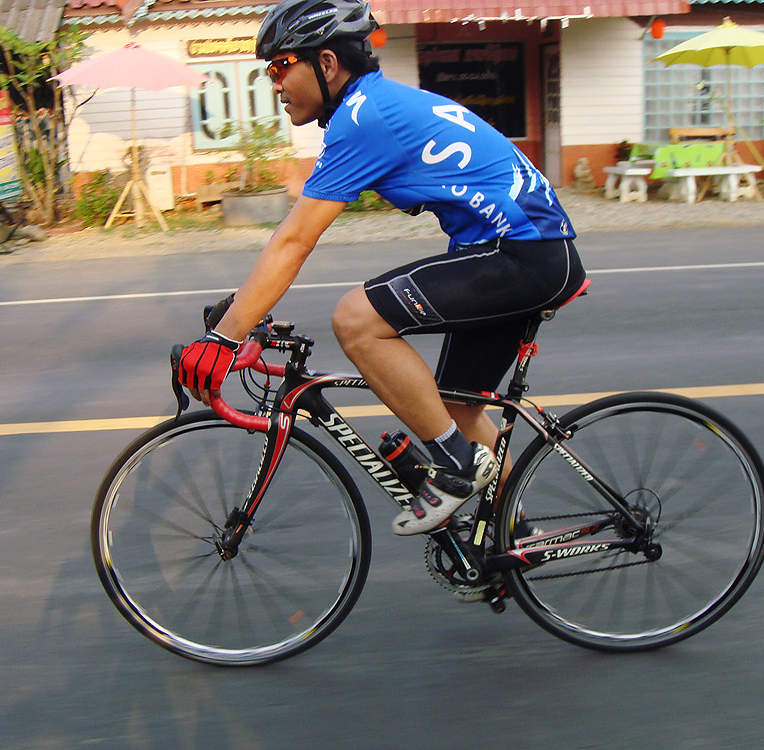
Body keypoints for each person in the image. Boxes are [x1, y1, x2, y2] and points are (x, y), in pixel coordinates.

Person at [178, 0, 586, 536]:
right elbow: (291, 239)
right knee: (455, 409)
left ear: (326, 64)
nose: (274, 83)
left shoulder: (363, 117)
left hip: (522, 253)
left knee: (356, 319)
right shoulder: (374, 105)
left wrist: (224, 338)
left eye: (279, 67)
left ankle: (456, 466)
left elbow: (296, 239)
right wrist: (240, 310)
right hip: (525, 252)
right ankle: (514, 536)